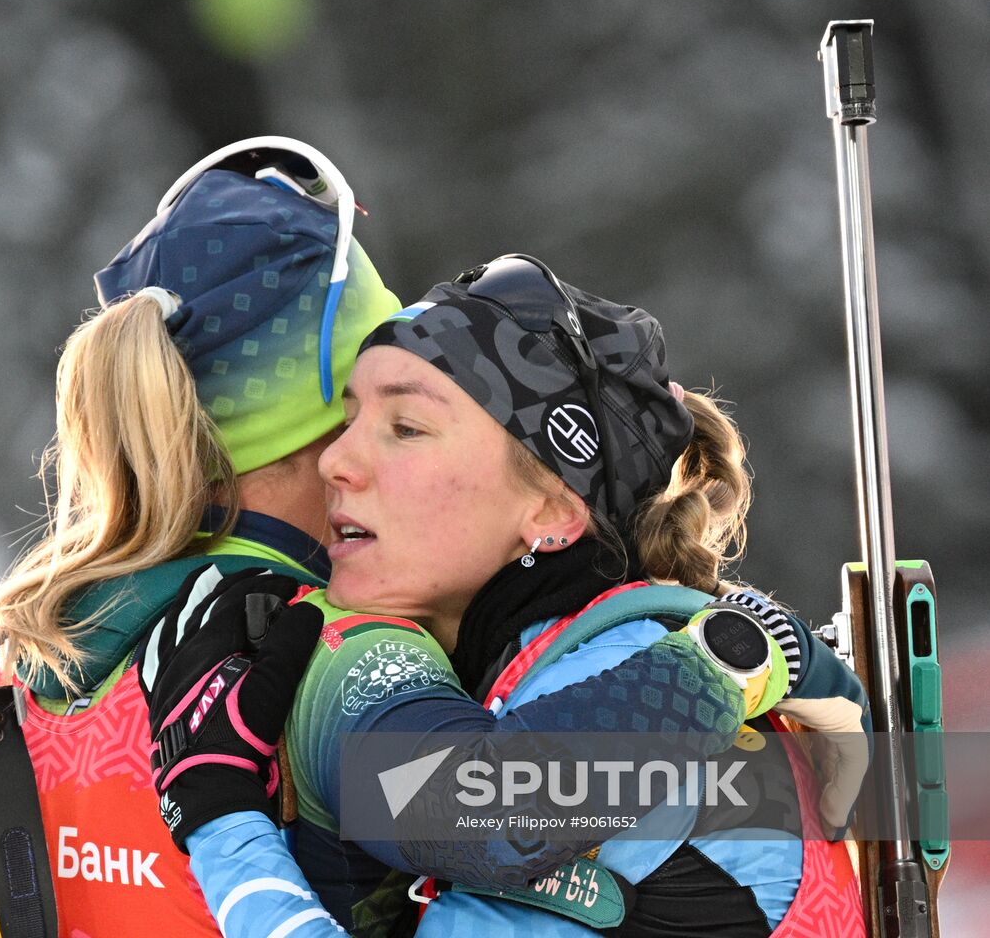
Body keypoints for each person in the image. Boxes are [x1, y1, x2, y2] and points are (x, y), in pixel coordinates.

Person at [0, 139, 813, 937]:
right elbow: (486, 810)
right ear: (325, 402)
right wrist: (735, 658)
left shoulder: (38, 648)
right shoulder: (312, 646)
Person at [140, 256, 871, 936]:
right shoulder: (546, 675)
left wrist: (223, 822)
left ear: (552, 512)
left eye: (405, 427)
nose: (335, 460)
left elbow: (489, 811)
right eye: (346, 420)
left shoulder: (635, 698)